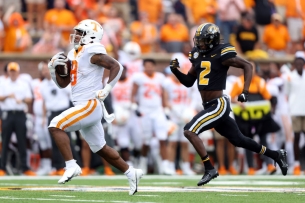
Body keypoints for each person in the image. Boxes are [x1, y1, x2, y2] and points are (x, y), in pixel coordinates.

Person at [169, 23, 288, 186]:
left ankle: (209, 168)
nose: (199, 43)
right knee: (239, 140)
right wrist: (176, 71)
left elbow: (247, 65)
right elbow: (189, 81)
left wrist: (245, 91)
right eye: (198, 40)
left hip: (218, 104)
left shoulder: (222, 51)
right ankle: (276, 155)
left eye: (202, 40)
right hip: (209, 105)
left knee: (189, 131)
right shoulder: (197, 54)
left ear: (212, 40)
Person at [47, 19, 143, 195]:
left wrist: (107, 89)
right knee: (100, 148)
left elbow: (116, 66)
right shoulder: (74, 53)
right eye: (76, 32)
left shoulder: (92, 50)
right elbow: (64, 83)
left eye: (80, 33)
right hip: (83, 105)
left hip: (90, 104)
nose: (75, 35)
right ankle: (131, 172)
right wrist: (54, 71)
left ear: (90, 36)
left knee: (55, 125)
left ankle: (71, 165)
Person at [0, 62, 35, 176]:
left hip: (20, 114)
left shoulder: (23, 84)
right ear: (8, 72)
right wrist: (7, 96)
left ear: (18, 72)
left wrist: (22, 100)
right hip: (8, 114)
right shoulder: (3, 83)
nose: (13, 73)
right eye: (11, 71)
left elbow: (29, 99)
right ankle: (2, 168)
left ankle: (25, 168)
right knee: (5, 141)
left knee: (22, 141)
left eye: (14, 71)